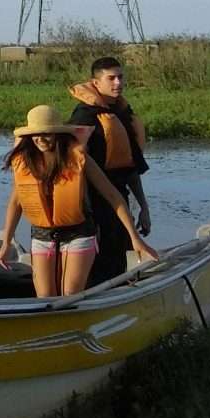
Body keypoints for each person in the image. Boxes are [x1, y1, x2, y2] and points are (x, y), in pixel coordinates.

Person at [0, 103, 154, 296]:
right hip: (42, 234)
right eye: (35, 134)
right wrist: (6, 242)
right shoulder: (25, 161)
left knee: (70, 293)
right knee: (45, 295)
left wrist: (135, 238)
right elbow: (15, 203)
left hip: (78, 233)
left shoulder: (78, 158)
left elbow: (115, 197)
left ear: (58, 133)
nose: (40, 139)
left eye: (46, 133)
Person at [68, 56, 153, 286]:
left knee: (118, 261)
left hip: (119, 201)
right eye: (111, 78)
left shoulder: (121, 115)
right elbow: (73, 172)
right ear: (95, 82)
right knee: (97, 267)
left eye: (120, 77)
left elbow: (131, 169)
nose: (118, 83)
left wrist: (144, 207)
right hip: (92, 205)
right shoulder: (83, 118)